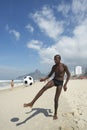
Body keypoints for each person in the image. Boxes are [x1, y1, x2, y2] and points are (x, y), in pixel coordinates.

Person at [24, 54, 70, 120]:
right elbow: (50, 74)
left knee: (56, 99)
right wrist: (44, 79)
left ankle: (55, 114)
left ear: (59, 59)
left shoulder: (64, 66)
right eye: (54, 59)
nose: (54, 60)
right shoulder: (54, 67)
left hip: (60, 83)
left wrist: (65, 84)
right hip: (54, 80)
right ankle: (32, 103)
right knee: (44, 88)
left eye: (56, 59)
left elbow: (69, 75)